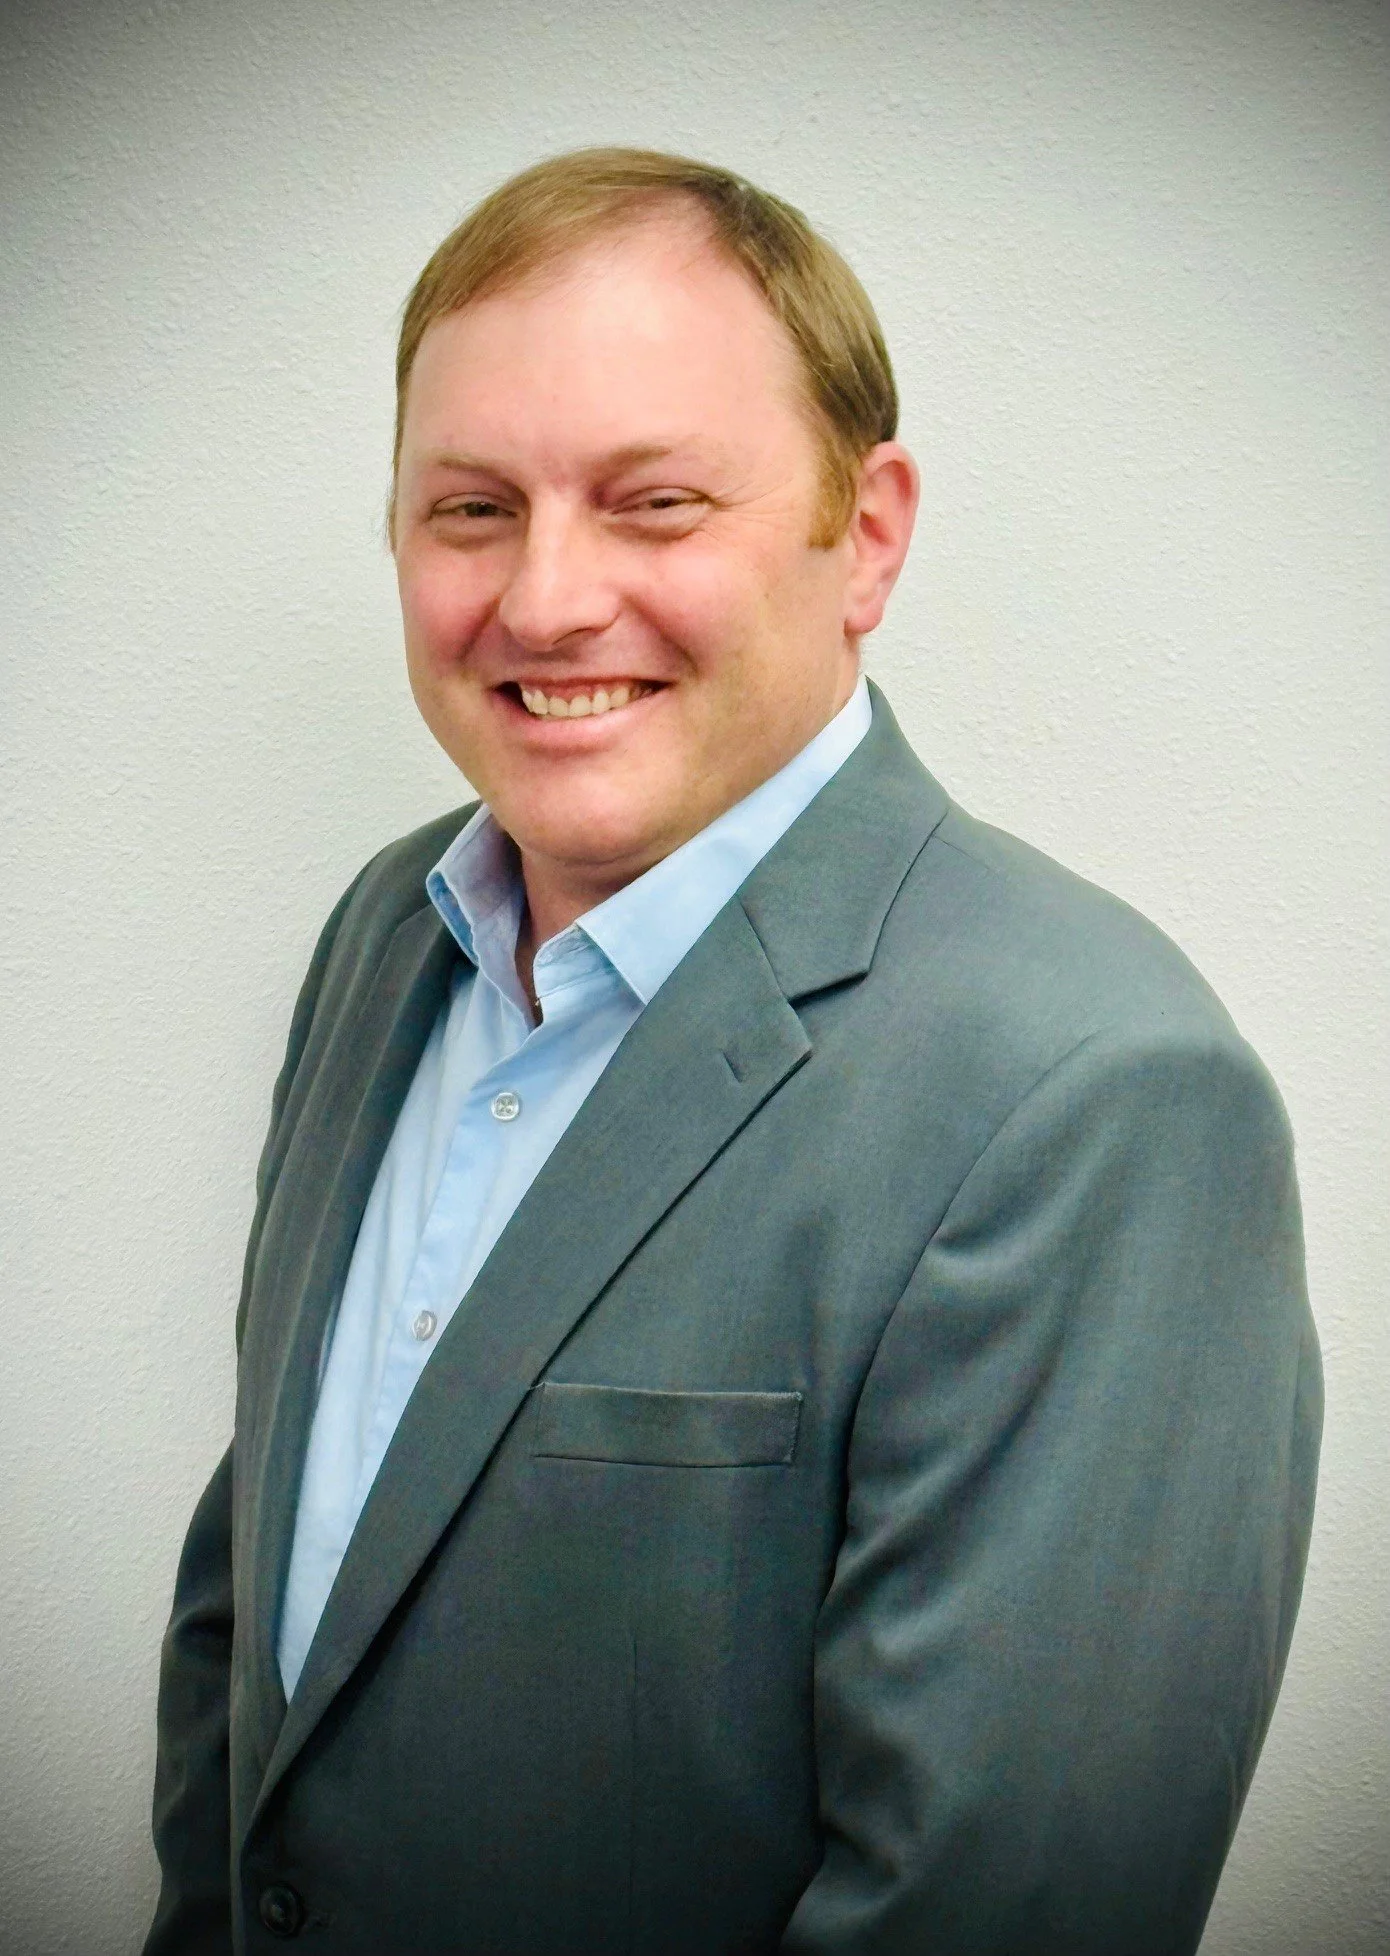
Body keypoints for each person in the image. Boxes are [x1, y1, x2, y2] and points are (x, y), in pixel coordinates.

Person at [143, 148, 1322, 1956]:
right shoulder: (391, 937)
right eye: (471, 508)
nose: (543, 602)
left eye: (653, 503)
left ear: (865, 532)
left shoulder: (1095, 1095)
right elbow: (266, 1594)